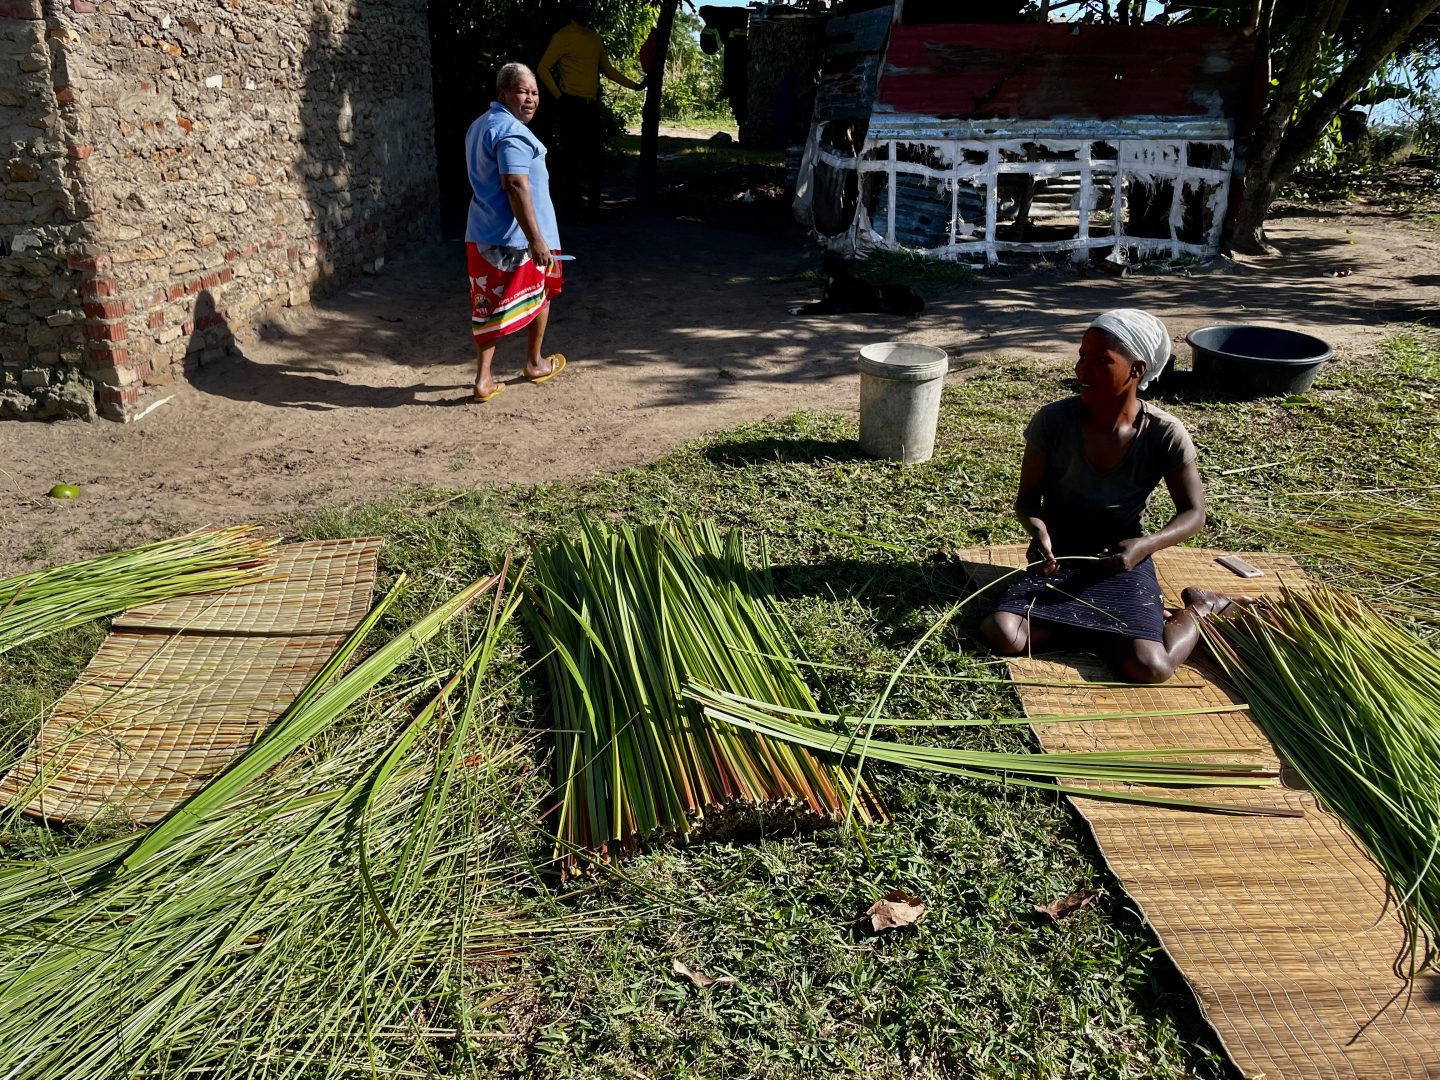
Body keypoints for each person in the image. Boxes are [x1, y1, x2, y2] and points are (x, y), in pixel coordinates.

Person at [978, 309, 1251, 684]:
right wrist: (1039, 532)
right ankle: (1108, 634)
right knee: (1003, 634)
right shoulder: (1054, 421)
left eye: (1101, 361)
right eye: (1081, 356)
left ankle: (1202, 607)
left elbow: (1194, 513)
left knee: (1150, 667)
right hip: (1059, 561)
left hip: (1123, 562)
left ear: (1136, 370)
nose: (1081, 369)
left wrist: (1143, 546)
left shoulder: (1164, 433)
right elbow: (1027, 500)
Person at [464, 62, 566, 403]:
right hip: (518, 238)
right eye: (523, 91)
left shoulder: (480, 125)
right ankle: (535, 363)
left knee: (486, 305)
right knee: (543, 294)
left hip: (483, 231)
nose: (531, 99)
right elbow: (516, 185)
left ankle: (483, 379)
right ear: (503, 93)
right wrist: (537, 239)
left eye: (535, 93)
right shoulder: (511, 132)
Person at [537, 1, 645, 213]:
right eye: (581, 10)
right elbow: (543, 68)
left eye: (588, 11)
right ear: (573, 12)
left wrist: (635, 85)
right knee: (571, 156)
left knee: (596, 157)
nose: (585, 14)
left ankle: (593, 208)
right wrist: (560, 97)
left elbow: (607, 69)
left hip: (590, 105)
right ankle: (571, 206)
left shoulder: (594, 39)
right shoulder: (562, 37)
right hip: (570, 103)